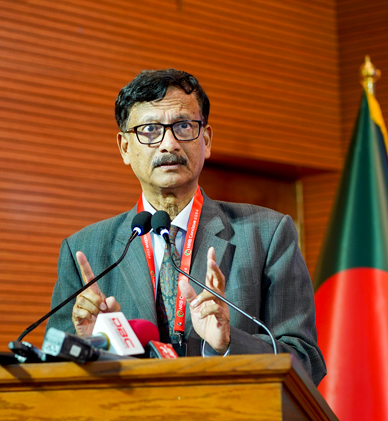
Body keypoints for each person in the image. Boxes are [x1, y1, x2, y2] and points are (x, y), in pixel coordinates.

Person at [46, 69, 325, 385]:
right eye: (150, 130)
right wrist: (85, 343)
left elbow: (306, 362)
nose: (169, 143)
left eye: (183, 126)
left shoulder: (267, 234)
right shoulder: (86, 250)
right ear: (125, 147)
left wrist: (228, 342)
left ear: (205, 141)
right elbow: (52, 369)